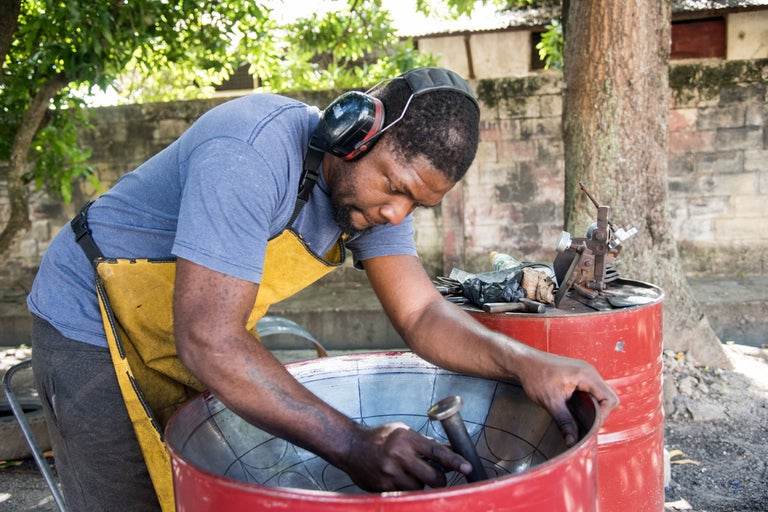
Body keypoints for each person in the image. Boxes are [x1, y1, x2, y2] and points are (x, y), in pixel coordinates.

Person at [27, 67, 618, 511]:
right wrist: (354, 444)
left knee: (194, 491)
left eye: (417, 203)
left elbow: (420, 314)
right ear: (354, 133)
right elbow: (210, 340)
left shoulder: (372, 204)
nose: (395, 214)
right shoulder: (249, 155)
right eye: (395, 186)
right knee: (129, 497)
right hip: (90, 322)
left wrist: (527, 361)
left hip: (188, 330)